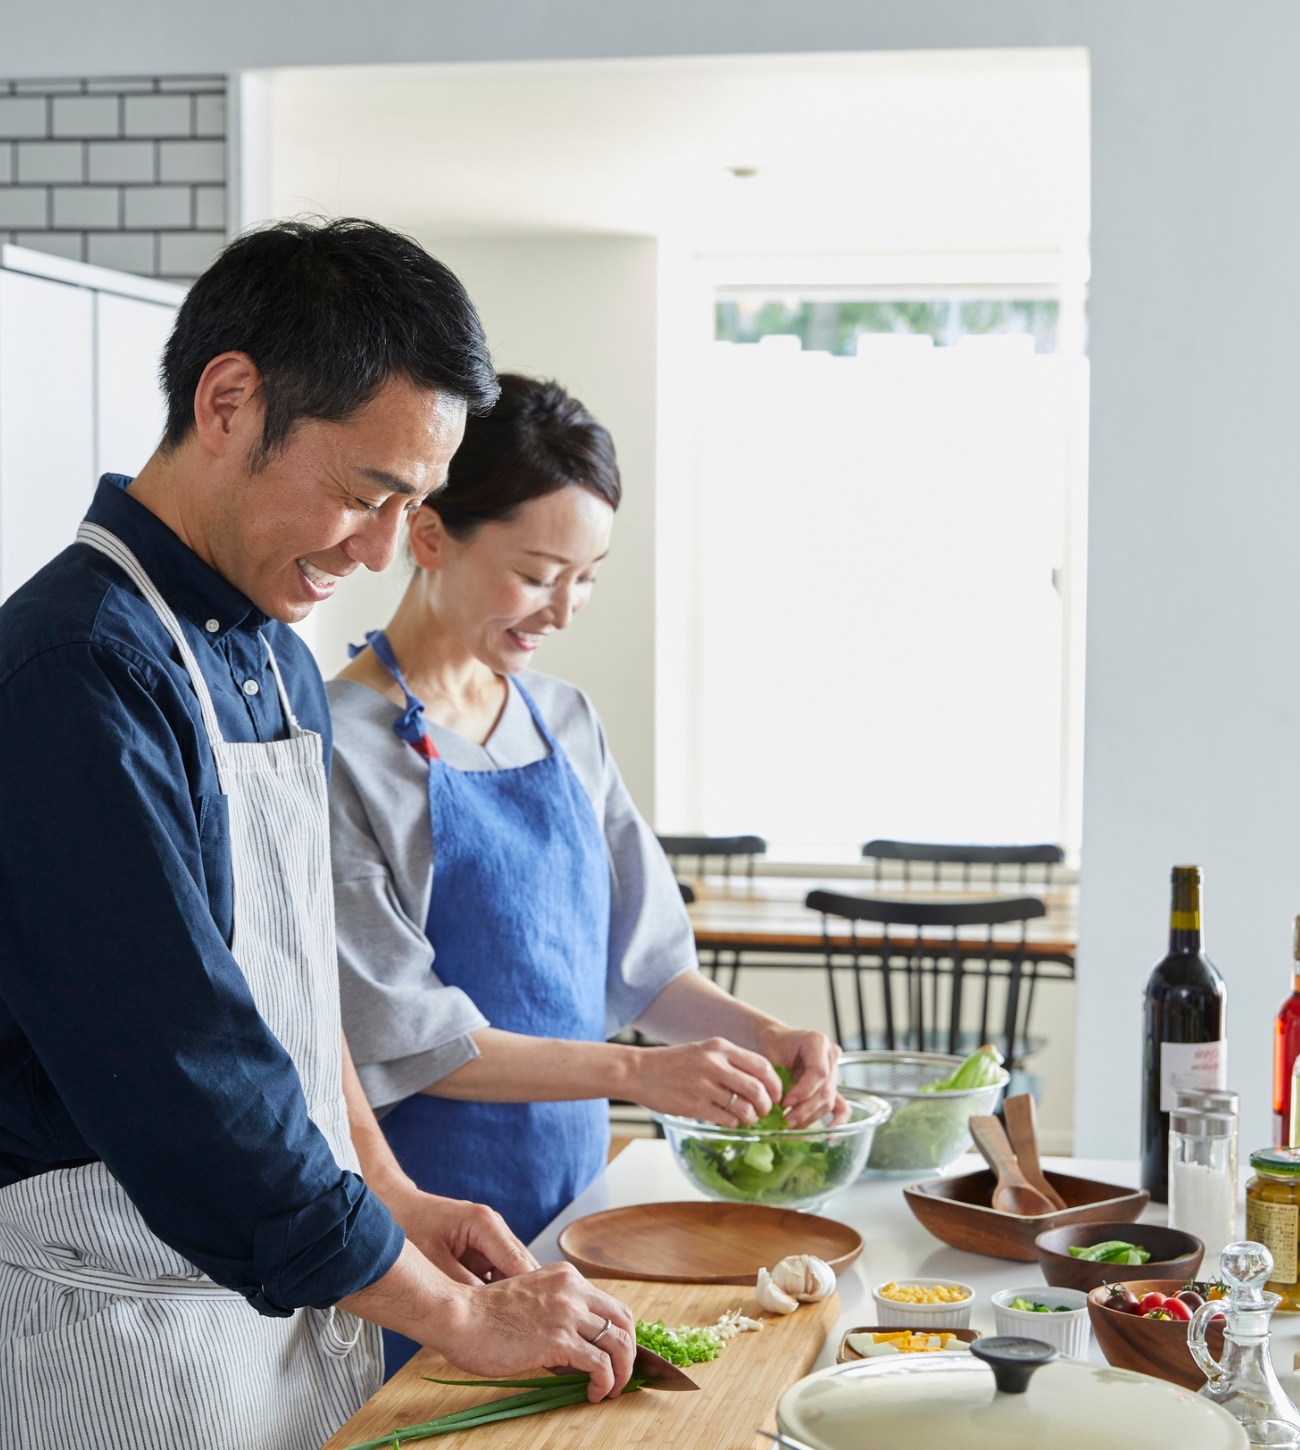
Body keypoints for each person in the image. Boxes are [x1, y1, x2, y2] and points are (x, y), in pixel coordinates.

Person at [0, 222, 637, 1450]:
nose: (384, 551)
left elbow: (295, 987)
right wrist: (450, 1309)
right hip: (117, 1332)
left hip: (279, 1315)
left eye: (413, 505)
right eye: (365, 493)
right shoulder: (76, 674)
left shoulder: (278, 657)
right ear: (230, 402)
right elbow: (190, 1079)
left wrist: (391, 1192)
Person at [330, 374, 845, 1374]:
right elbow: (409, 1039)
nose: (564, 608)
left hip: (577, 1213)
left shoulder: (561, 721)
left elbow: (647, 971)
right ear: (429, 534)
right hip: (429, 1244)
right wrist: (640, 1073)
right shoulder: (337, 745)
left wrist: (767, 1036)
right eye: (536, 572)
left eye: (589, 574)